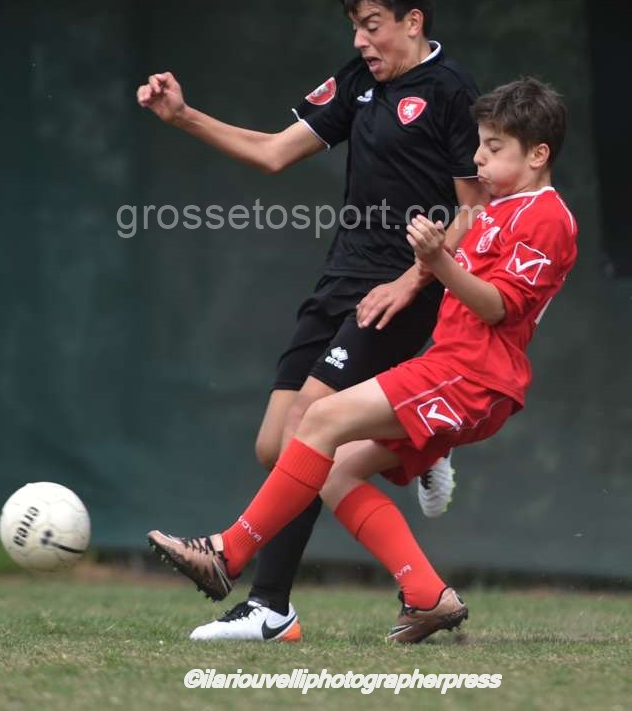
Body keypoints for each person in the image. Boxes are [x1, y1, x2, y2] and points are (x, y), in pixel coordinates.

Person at [137, 0, 487, 642]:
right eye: (355, 26)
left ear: (413, 21)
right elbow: (273, 152)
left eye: (372, 25)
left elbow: (474, 211)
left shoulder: (452, 91)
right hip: (338, 282)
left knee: (308, 429)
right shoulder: (359, 81)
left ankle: (267, 603)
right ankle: (414, 462)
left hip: (400, 292)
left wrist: (413, 277)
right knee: (279, 448)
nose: (360, 40)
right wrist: (184, 116)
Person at [148, 77, 578, 644]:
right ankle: (427, 594)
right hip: (454, 368)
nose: (478, 157)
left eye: (494, 147)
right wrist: (435, 258)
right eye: (480, 144)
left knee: (318, 419)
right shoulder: (497, 208)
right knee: (333, 469)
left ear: (538, 155)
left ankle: (229, 553)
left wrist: (437, 262)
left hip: (472, 376)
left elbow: (498, 307)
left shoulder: (547, 217)